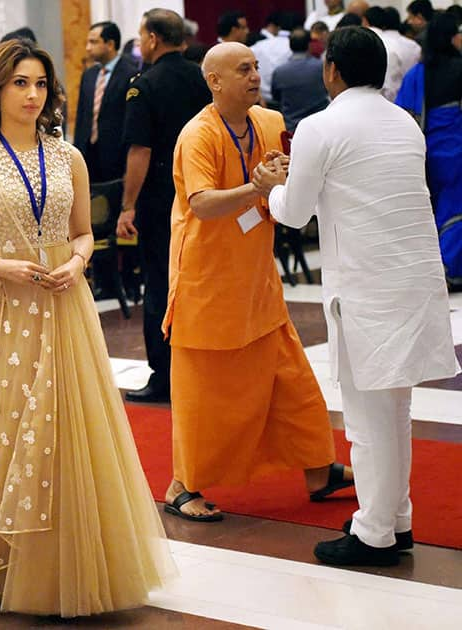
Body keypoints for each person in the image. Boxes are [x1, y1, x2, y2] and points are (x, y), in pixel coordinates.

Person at [0, 37, 175, 617]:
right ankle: (4, 568)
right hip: (3, 317)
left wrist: (77, 261)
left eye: (40, 83)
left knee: (69, 431)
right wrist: (2, 266)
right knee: (12, 429)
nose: (32, 94)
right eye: (20, 83)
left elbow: (83, 232)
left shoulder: (68, 156)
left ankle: (73, 561)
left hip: (65, 308)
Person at [257, 26, 459, 567]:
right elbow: (358, 194)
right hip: (412, 281)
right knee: (396, 410)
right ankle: (397, 519)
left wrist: (267, 186)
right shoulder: (402, 123)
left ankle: (374, 533)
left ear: (333, 71)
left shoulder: (322, 127)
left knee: (369, 421)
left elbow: (294, 213)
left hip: (368, 288)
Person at [160, 42, 353, 522]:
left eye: (255, 67)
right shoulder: (197, 135)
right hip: (207, 279)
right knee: (204, 392)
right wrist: (258, 186)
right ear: (215, 81)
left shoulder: (268, 122)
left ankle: (316, 469)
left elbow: (285, 179)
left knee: (290, 379)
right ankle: (182, 485)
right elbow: (202, 204)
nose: (254, 75)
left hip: (256, 277)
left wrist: (284, 178)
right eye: (242, 69)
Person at [117, 9, 211, 404]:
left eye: (141, 35)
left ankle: (164, 374)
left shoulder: (145, 85)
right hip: (202, 194)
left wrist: (127, 206)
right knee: (199, 282)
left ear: (153, 38)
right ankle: (201, 369)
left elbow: (140, 150)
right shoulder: (201, 77)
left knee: (158, 285)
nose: (140, 42)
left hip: (160, 198)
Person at [396, 11, 462, 286]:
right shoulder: (460, 67)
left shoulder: (416, 74)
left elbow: (403, 112)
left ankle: (433, 266)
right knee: (455, 208)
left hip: (426, 151)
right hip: (457, 149)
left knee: (431, 208)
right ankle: (450, 266)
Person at [73, 21, 134, 184]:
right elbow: (82, 116)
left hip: (116, 158)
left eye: (93, 42)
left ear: (110, 44)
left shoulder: (131, 74)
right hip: (88, 154)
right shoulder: (89, 74)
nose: (87, 47)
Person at [271, 29, 330, 131]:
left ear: (290, 45)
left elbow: (276, 97)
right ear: (309, 45)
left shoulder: (279, 72)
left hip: (291, 128)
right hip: (320, 126)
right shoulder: (321, 67)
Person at [363, 6, 421, 101]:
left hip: (392, 102)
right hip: (415, 101)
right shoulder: (414, 45)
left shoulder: (382, 44)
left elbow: (388, 86)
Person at [250, 12, 292, 105]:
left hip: (262, 94)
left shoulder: (254, 41)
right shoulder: (257, 41)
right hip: (268, 96)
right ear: (273, 26)